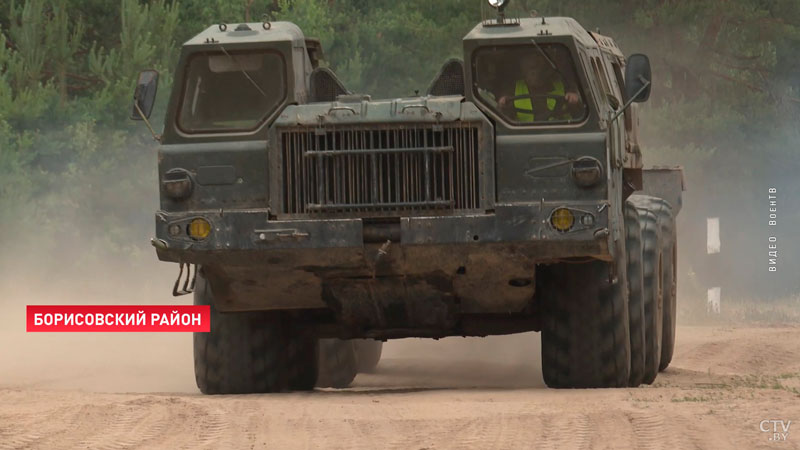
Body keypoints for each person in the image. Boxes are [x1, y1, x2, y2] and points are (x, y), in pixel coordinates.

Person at [497, 54, 581, 123]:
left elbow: (579, 110)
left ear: (546, 69)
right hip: (523, 133)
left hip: (560, 132)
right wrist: (503, 103)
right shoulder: (513, 88)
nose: (533, 72)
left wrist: (573, 99)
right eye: (529, 69)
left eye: (536, 67)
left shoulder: (563, 84)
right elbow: (503, 110)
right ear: (523, 72)